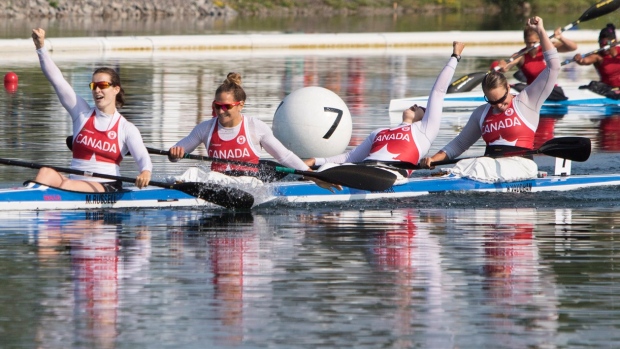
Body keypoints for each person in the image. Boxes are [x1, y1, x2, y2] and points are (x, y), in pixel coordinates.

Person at [420, 16, 560, 183]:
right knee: (467, 165)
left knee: (478, 164)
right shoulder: (481, 113)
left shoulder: (527, 100)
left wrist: (541, 31)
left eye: (502, 100)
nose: (499, 105)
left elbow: (554, 67)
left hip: (521, 166)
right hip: (490, 168)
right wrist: (434, 159)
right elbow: (459, 144)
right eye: (493, 102)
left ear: (508, 87)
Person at [303, 41, 466, 182]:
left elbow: (438, 92)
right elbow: (349, 158)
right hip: (364, 170)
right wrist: (315, 161)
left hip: (391, 176)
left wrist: (455, 56)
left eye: (422, 109)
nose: (416, 106)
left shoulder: (424, 131)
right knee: (326, 167)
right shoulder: (378, 132)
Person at [167, 72, 340, 191]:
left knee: (201, 176)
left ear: (240, 104)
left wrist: (313, 176)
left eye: (226, 106)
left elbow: (284, 156)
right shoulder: (205, 128)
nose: (220, 111)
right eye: (217, 106)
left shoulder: (255, 127)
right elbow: (178, 152)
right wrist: (175, 154)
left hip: (248, 184)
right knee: (192, 173)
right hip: (217, 181)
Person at [31, 28, 152, 192]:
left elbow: (142, 157)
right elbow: (57, 80)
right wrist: (40, 47)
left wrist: (145, 172)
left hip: (106, 186)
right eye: (94, 86)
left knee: (66, 185)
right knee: (46, 172)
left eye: (103, 85)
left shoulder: (126, 128)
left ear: (116, 89)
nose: (97, 90)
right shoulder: (81, 113)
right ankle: (30, 199)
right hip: (74, 183)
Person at [496, 24, 577, 101]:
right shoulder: (520, 55)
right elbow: (506, 68)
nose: (531, 45)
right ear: (524, 41)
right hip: (533, 92)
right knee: (520, 87)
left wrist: (560, 37)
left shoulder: (547, 49)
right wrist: (503, 66)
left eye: (534, 42)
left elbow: (573, 47)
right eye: (528, 42)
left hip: (552, 91)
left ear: (539, 40)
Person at [573, 23, 620, 99]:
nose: (604, 47)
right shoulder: (598, 56)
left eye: (606, 43)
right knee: (593, 85)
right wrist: (579, 59)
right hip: (608, 89)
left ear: (614, 42)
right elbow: (585, 61)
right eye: (601, 43)